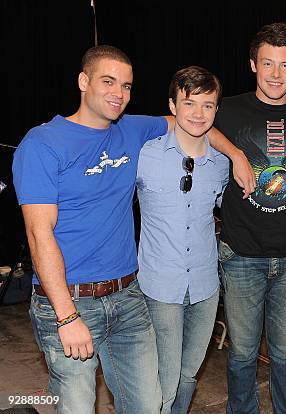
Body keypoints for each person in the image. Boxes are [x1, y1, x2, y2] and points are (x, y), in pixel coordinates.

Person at [12, 45, 251, 413]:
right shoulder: (42, 143)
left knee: (148, 404)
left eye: (126, 85)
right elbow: (38, 235)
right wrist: (67, 315)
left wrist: (236, 155)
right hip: (70, 300)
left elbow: (194, 125)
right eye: (108, 82)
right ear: (83, 81)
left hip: (127, 298)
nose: (118, 93)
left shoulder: (133, 129)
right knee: (77, 406)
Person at [214, 23, 286, 413]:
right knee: (242, 353)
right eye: (267, 63)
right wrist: (235, 153)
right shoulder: (229, 109)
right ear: (253, 64)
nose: (275, 73)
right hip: (241, 255)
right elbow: (191, 126)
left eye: (284, 65)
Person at [136, 66, 229, 414]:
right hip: (160, 286)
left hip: (205, 285)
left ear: (216, 110)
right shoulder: (146, 154)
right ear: (172, 106)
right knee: (165, 376)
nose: (198, 113)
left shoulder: (221, 163)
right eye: (189, 103)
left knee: (189, 373)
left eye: (208, 105)